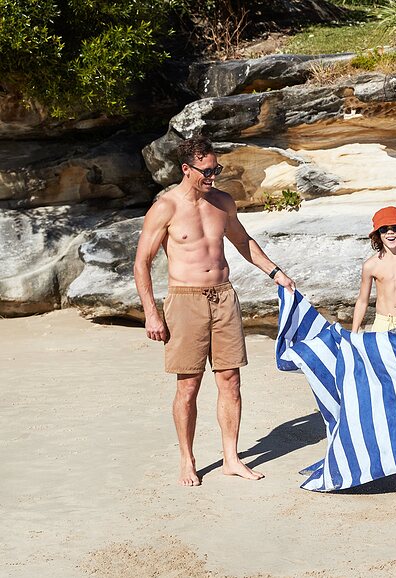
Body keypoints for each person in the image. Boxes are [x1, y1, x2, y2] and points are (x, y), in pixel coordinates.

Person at [133, 135, 295, 487]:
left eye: (217, 168)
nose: (214, 176)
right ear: (187, 169)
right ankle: (187, 460)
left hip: (224, 298)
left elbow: (243, 242)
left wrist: (275, 273)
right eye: (207, 171)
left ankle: (231, 458)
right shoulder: (166, 207)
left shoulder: (222, 202)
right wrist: (150, 312)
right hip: (185, 299)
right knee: (188, 386)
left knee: (230, 380)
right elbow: (141, 263)